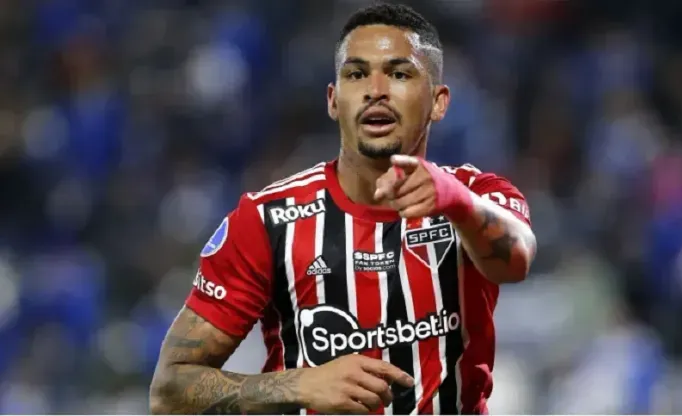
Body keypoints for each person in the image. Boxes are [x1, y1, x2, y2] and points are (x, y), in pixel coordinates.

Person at [149, 3, 537, 414]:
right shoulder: (267, 221)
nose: (375, 90)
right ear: (333, 100)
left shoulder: (477, 195)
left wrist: (457, 203)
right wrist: (296, 383)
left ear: (439, 102)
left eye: (400, 73)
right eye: (356, 74)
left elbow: (515, 260)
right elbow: (169, 392)